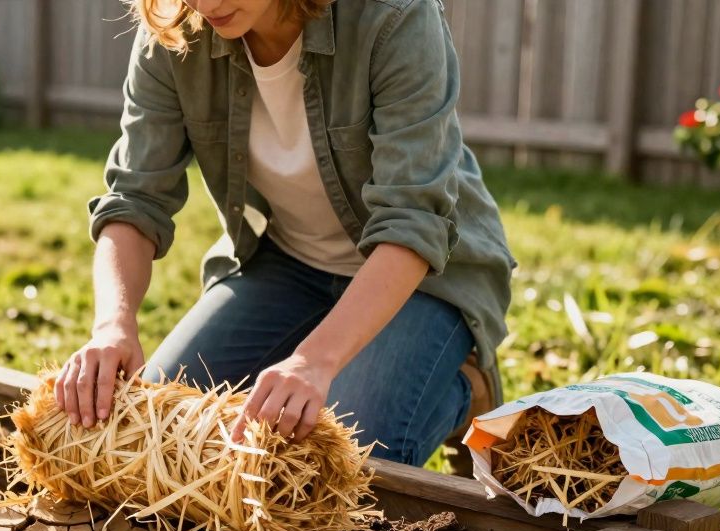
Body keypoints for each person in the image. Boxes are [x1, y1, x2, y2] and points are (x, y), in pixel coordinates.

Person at [54, 0, 516, 467]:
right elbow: (135, 198)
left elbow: (414, 222)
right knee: (161, 439)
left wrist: (314, 360)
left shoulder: (395, 15)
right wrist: (113, 325)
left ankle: (463, 386)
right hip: (287, 264)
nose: (206, 4)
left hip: (425, 279)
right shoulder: (175, 23)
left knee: (328, 466)